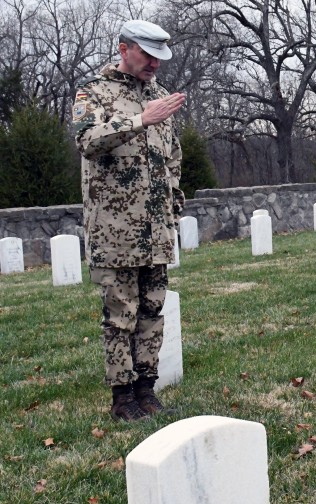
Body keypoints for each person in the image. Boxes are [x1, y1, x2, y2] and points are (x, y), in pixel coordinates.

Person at [72, 20, 186, 421]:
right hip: (114, 230)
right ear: (124, 49)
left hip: (155, 230)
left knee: (152, 312)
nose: (155, 64)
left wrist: (173, 202)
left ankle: (146, 388)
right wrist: (139, 120)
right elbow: (87, 142)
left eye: (160, 57)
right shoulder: (94, 93)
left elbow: (172, 156)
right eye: (148, 54)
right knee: (120, 316)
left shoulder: (159, 97)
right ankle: (122, 396)